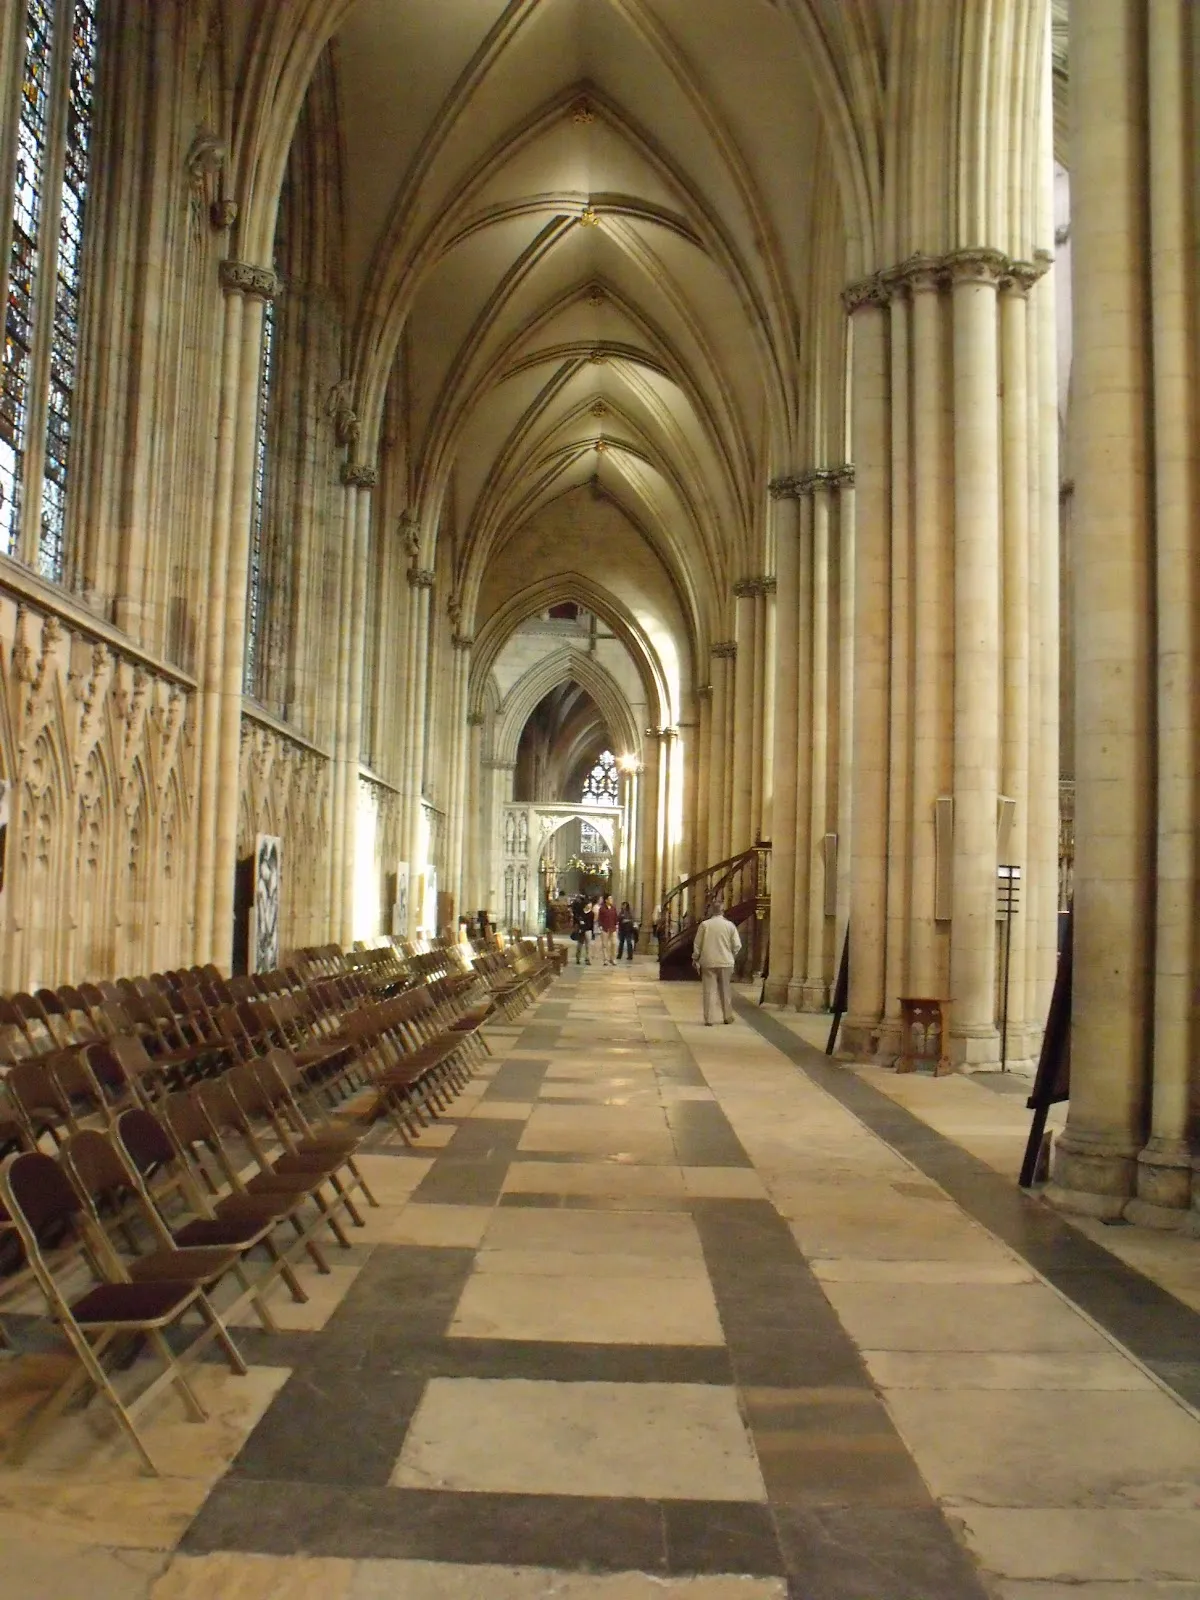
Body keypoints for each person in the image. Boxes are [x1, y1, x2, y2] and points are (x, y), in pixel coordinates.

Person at [692, 900, 741, 1025]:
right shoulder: (730, 925)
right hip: (726, 961)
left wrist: (695, 958)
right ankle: (727, 1016)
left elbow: (697, 944)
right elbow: (737, 945)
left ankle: (709, 1019)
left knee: (709, 990)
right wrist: (731, 955)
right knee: (725, 990)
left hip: (708, 961)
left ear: (711, 911)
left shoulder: (705, 925)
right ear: (723, 911)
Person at [596, 894, 619, 966]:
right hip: (605, 928)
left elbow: (616, 917)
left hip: (613, 928)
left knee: (614, 943)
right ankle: (605, 959)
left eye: (612, 899)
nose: (611, 900)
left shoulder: (613, 908)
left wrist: (616, 924)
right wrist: (600, 926)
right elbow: (600, 918)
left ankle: (613, 958)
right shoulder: (602, 908)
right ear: (606, 900)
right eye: (610, 899)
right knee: (605, 945)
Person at [573, 896, 595, 965]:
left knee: (588, 946)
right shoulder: (580, 912)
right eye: (589, 904)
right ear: (585, 905)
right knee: (579, 945)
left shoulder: (592, 913)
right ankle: (578, 958)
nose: (590, 905)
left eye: (591, 904)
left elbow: (591, 923)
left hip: (588, 930)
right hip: (581, 930)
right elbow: (576, 919)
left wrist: (592, 932)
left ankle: (588, 959)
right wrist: (579, 923)